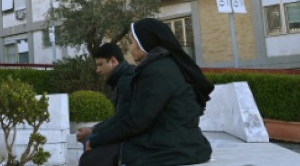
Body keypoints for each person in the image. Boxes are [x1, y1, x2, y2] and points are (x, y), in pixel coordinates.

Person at [83, 18, 214, 166]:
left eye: (132, 42)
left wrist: (98, 139)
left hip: (171, 148)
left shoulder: (157, 72)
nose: (130, 49)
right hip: (179, 142)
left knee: (91, 158)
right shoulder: (163, 65)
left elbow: (137, 121)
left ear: (144, 43)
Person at [77, 43, 134, 166]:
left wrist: (93, 131)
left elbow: (122, 119)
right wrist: (93, 130)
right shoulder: (122, 79)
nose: (98, 70)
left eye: (100, 64)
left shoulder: (126, 81)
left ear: (113, 61)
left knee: (90, 142)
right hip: (129, 135)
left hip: (132, 139)